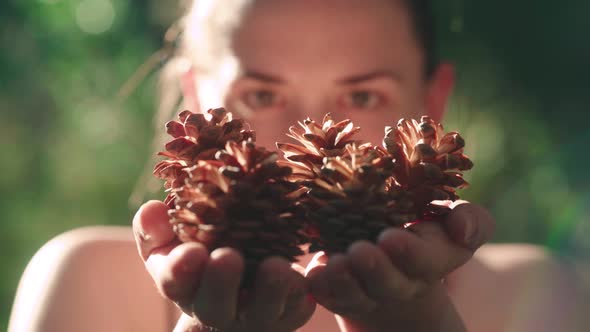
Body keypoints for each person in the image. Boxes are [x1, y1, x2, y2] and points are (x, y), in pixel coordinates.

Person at [8, 0, 586, 331]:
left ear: (431, 103)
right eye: (261, 96)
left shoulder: (538, 296)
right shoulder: (85, 283)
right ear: (194, 101)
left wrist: (412, 320)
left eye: (362, 97)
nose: (306, 138)